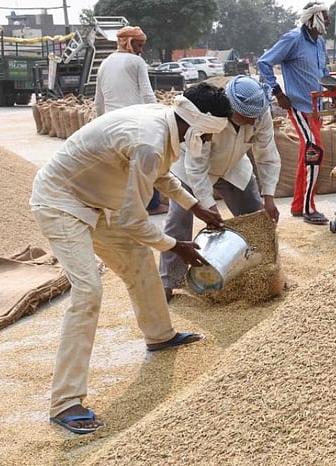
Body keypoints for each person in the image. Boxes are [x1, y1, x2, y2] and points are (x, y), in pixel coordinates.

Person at [30, 83, 229, 435]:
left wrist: (194, 205)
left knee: (137, 259)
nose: (210, 144)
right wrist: (174, 245)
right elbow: (133, 221)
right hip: (60, 201)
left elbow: (161, 176)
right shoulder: (150, 141)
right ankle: (65, 402)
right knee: (88, 290)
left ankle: (159, 335)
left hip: (95, 200)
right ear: (201, 127)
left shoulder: (165, 122)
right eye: (211, 136)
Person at [160, 76, 281, 301]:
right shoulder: (212, 115)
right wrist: (208, 206)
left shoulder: (260, 114)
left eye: (254, 116)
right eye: (245, 117)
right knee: (178, 218)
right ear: (231, 108)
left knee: (255, 218)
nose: (250, 121)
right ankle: (168, 281)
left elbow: (267, 155)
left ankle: (260, 275)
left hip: (233, 167)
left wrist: (269, 196)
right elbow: (196, 166)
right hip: (191, 168)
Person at [257, 2, 330, 225]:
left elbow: (323, 70)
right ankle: (309, 208)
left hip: (316, 106)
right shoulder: (293, 39)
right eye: (324, 17)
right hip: (299, 106)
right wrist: (278, 92)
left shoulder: (319, 42)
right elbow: (264, 62)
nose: (328, 22)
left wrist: (333, 88)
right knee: (315, 151)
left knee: (308, 153)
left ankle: (299, 205)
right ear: (312, 18)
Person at [94, 26, 166, 215]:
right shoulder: (136, 62)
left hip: (110, 126)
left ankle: (119, 206)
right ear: (127, 42)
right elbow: (147, 94)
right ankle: (152, 205)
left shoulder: (104, 64)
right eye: (138, 45)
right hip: (135, 124)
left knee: (120, 169)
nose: (140, 50)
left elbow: (98, 102)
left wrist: (99, 126)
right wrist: (160, 118)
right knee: (150, 162)